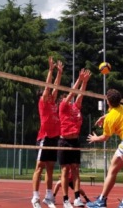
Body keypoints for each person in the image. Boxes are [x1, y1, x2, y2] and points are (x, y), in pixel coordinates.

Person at [86, 89, 123, 208]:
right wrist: (104, 116)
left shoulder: (110, 118)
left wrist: (95, 138)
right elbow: (121, 114)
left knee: (112, 171)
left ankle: (101, 201)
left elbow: (105, 137)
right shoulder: (122, 108)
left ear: (108, 101)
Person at [31, 56, 63, 208]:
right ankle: (35, 198)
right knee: (39, 167)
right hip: (44, 137)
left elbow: (56, 87)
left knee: (50, 168)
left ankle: (48, 197)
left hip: (54, 138)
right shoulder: (43, 102)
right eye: (47, 93)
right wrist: (51, 70)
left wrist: (60, 73)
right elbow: (49, 86)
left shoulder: (53, 102)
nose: (51, 93)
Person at [58, 69, 91, 208]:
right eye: (66, 98)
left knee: (76, 170)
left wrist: (84, 82)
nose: (69, 98)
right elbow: (72, 92)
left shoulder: (76, 107)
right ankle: (66, 200)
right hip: (64, 141)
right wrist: (78, 79)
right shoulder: (63, 106)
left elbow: (80, 94)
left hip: (75, 141)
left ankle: (77, 198)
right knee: (65, 171)